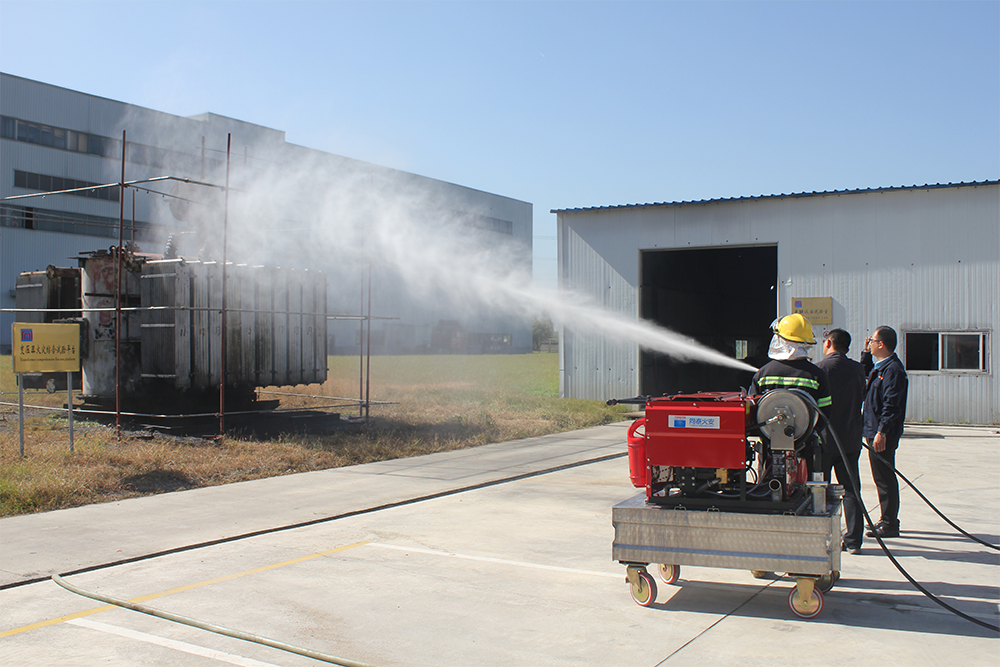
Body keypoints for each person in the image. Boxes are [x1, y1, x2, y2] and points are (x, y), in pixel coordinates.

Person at [749, 314, 833, 475]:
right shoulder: (817, 375)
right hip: (807, 447)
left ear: (780, 340)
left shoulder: (763, 373)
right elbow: (825, 413)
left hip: (770, 448)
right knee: (808, 492)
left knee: (766, 492)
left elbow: (754, 412)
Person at [816, 328, 867, 553]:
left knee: (821, 491)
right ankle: (854, 540)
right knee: (852, 490)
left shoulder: (820, 369)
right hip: (851, 440)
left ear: (828, 343)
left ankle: (823, 537)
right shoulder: (858, 369)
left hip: (825, 440)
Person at [860, 326, 909, 539]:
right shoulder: (880, 367)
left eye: (872, 340)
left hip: (882, 433)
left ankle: (890, 524)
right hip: (874, 430)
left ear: (881, 344)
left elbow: (892, 405)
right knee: (879, 476)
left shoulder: (893, 371)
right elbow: (863, 378)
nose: (869, 342)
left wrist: (882, 431)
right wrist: (864, 355)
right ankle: (885, 518)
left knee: (885, 478)